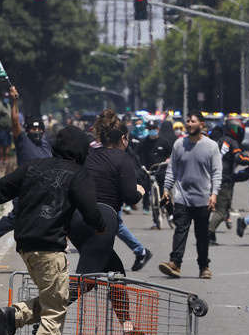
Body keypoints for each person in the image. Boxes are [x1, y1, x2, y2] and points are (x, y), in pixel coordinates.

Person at [0, 126, 107, 335]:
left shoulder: (32, 167)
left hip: (25, 246)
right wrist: (100, 225)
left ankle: (14, 316)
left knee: (54, 298)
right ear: (81, 150)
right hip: (49, 249)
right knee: (55, 310)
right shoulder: (78, 173)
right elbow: (90, 209)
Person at [0, 86, 53, 250]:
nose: (36, 131)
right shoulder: (22, 142)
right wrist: (14, 101)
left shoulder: (46, 144)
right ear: (27, 131)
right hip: (25, 192)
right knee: (14, 220)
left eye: (39, 129)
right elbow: (14, 122)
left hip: (43, 193)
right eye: (32, 129)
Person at [84, 110, 152, 272]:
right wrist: (140, 191)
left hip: (86, 214)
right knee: (94, 272)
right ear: (122, 138)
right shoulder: (121, 158)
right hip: (103, 214)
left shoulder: (89, 152)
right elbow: (130, 196)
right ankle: (140, 251)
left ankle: (140, 251)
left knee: (107, 270)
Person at [158, 111, 222, 280]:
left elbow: (216, 173)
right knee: (180, 230)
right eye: (188, 121)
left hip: (203, 199)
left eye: (193, 121)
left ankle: (204, 266)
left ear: (201, 124)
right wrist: (166, 188)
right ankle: (175, 264)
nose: (190, 124)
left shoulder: (211, 146)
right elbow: (172, 169)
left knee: (202, 235)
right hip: (182, 197)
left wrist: (214, 194)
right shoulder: (179, 145)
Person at [207, 118, 244, 244]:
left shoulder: (219, 141)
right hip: (223, 178)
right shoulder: (233, 143)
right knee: (222, 210)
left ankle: (210, 235)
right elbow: (240, 158)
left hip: (213, 176)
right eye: (234, 129)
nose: (236, 132)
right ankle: (208, 232)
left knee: (216, 206)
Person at [136, 119, 173, 226]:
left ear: (158, 129)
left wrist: (168, 159)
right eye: (150, 129)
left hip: (162, 171)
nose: (152, 131)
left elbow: (171, 154)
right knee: (150, 194)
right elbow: (136, 154)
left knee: (163, 192)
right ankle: (155, 219)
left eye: (154, 129)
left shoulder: (164, 142)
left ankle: (171, 213)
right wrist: (140, 165)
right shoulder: (143, 142)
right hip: (148, 171)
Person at [0, 92, 14, 168]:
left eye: (8, 97)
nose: (6, 98)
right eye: (5, 97)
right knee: (1, 145)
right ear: (2, 97)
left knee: (8, 145)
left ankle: (6, 159)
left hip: (9, 129)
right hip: (1, 129)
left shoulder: (8, 105)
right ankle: (1, 159)